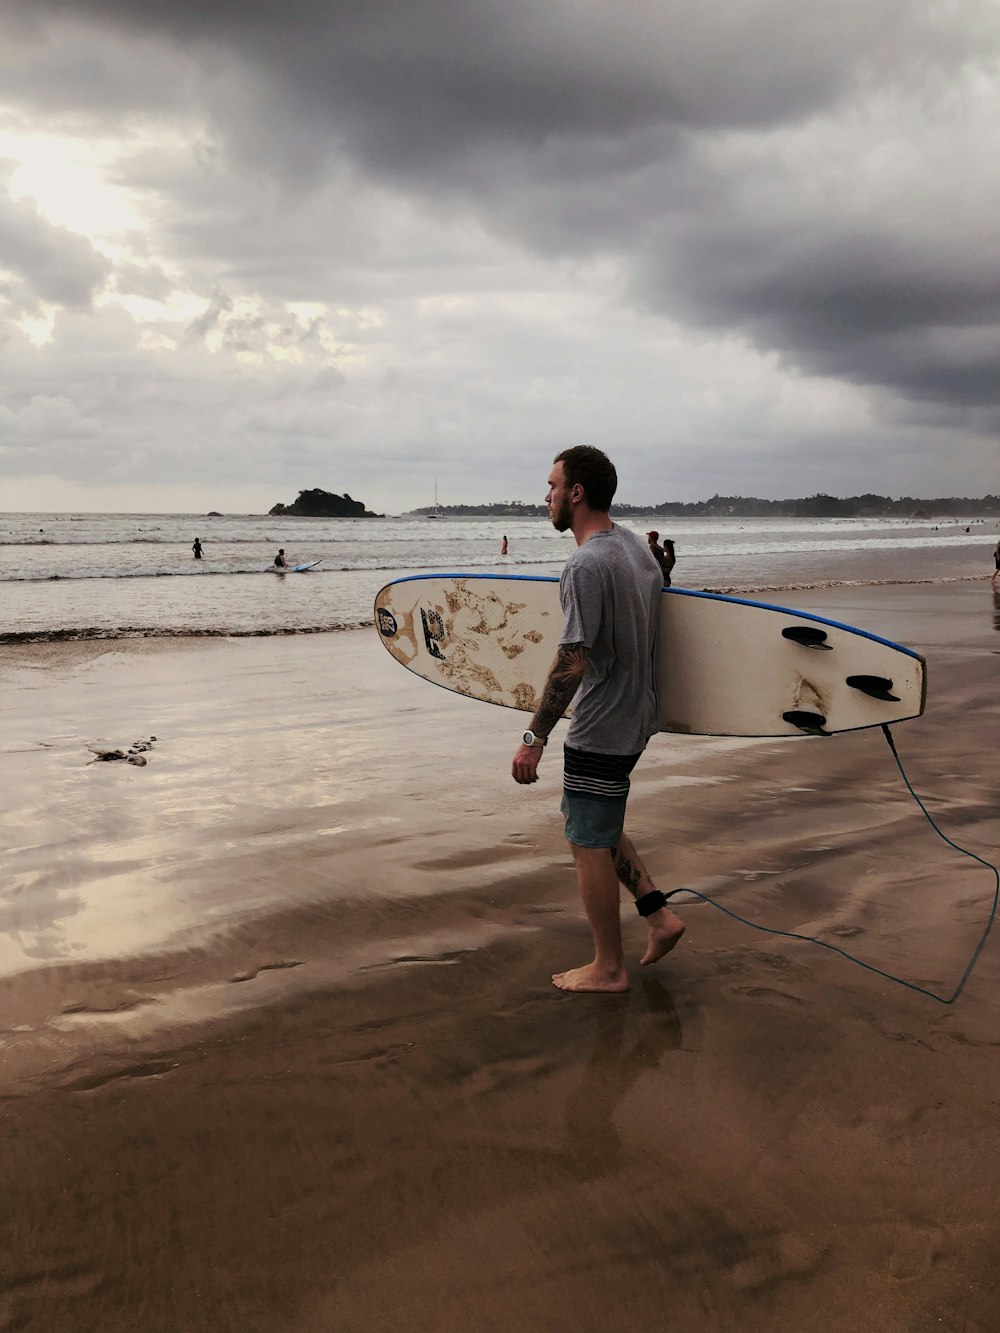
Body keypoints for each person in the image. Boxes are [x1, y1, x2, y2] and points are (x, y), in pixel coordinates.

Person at [512, 446, 685, 993]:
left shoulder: (586, 564)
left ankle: (608, 968)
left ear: (576, 493)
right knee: (595, 819)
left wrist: (533, 737)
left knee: (587, 837)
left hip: (602, 723)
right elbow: (656, 593)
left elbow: (572, 659)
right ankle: (659, 916)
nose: (547, 498)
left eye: (552, 486)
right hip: (637, 714)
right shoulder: (635, 549)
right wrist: (666, 570)